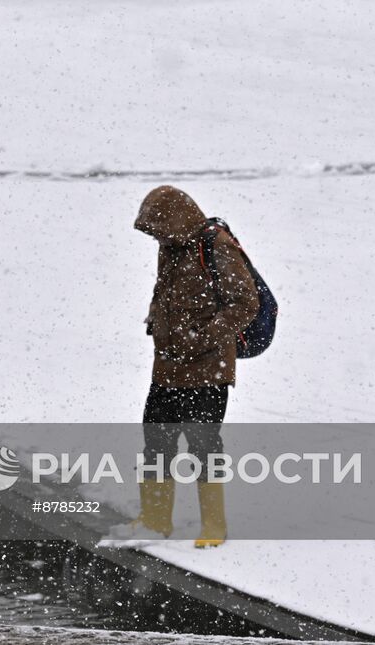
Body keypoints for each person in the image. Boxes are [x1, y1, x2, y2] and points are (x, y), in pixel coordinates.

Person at [119, 184, 259, 546]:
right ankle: (155, 519)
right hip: (168, 365)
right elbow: (164, 291)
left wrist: (202, 338)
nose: (157, 239)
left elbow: (246, 304)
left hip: (207, 369)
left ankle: (214, 525)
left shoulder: (216, 246)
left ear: (177, 221)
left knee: (203, 446)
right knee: (156, 441)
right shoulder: (171, 247)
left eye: (159, 231)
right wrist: (156, 319)